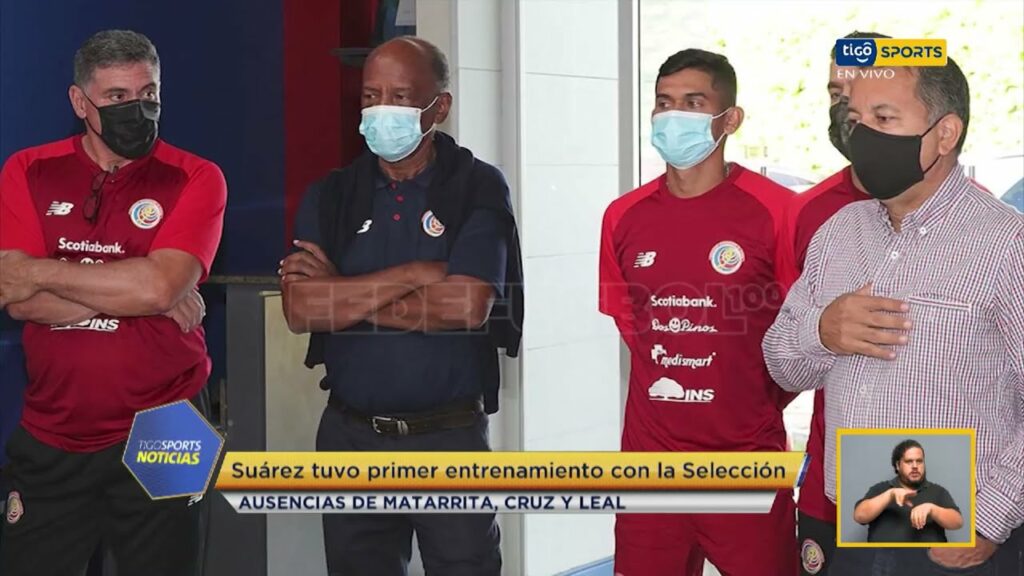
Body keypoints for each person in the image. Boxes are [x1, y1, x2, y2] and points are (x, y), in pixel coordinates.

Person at [763, 52, 1024, 576]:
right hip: (858, 520)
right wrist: (822, 331)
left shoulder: (1006, 243)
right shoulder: (839, 233)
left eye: (884, 119)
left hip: (959, 528)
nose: (862, 137)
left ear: (945, 133)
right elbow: (782, 365)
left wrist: (991, 517)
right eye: (856, 120)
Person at [281, 36, 523, 576]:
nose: (380, 110)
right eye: (371, 96)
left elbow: (467, 306)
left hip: (447, 441)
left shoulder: (476, 187)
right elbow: (300, 311)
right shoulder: (333, 194)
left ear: (439, 107)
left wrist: (342, 293)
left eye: (400, 96)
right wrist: (414, 275)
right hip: (350, 439)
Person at [0, 30, 225, 576]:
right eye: (118, 97)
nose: (138, 110)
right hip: (55, 424)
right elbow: (17, 299)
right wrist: (138, 290)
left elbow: (157, 287)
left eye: (149, 94)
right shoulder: (27, 169)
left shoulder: (197, 176)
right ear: (81, 103)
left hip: (170, 422)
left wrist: (41, 271)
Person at [599, 48, 797, 576]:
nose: (673, 116)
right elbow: (636, 332)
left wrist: (748, 403)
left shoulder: (779, 212)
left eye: (693, 102)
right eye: (663, 103)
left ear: (730, 119)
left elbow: (801, 337)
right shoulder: (622, 216)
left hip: (746, 467)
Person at [778, 31, 889, 576]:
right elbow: (784, 351)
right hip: (831, 478)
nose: (846, 109)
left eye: (862, 93)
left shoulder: (984, 222)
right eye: (836, 93)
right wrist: (822, 330)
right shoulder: (810, 212)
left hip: (929, 470)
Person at [852, 440, 963, 544]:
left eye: (919, 461)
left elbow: (957, 523)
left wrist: (933, 509)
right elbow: (859, 516)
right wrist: (890, 495)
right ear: (897, 465)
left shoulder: (938, 491)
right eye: (909, 461)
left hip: (928, 557)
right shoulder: (880, 489)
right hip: (886, 556)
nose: (915, 466)